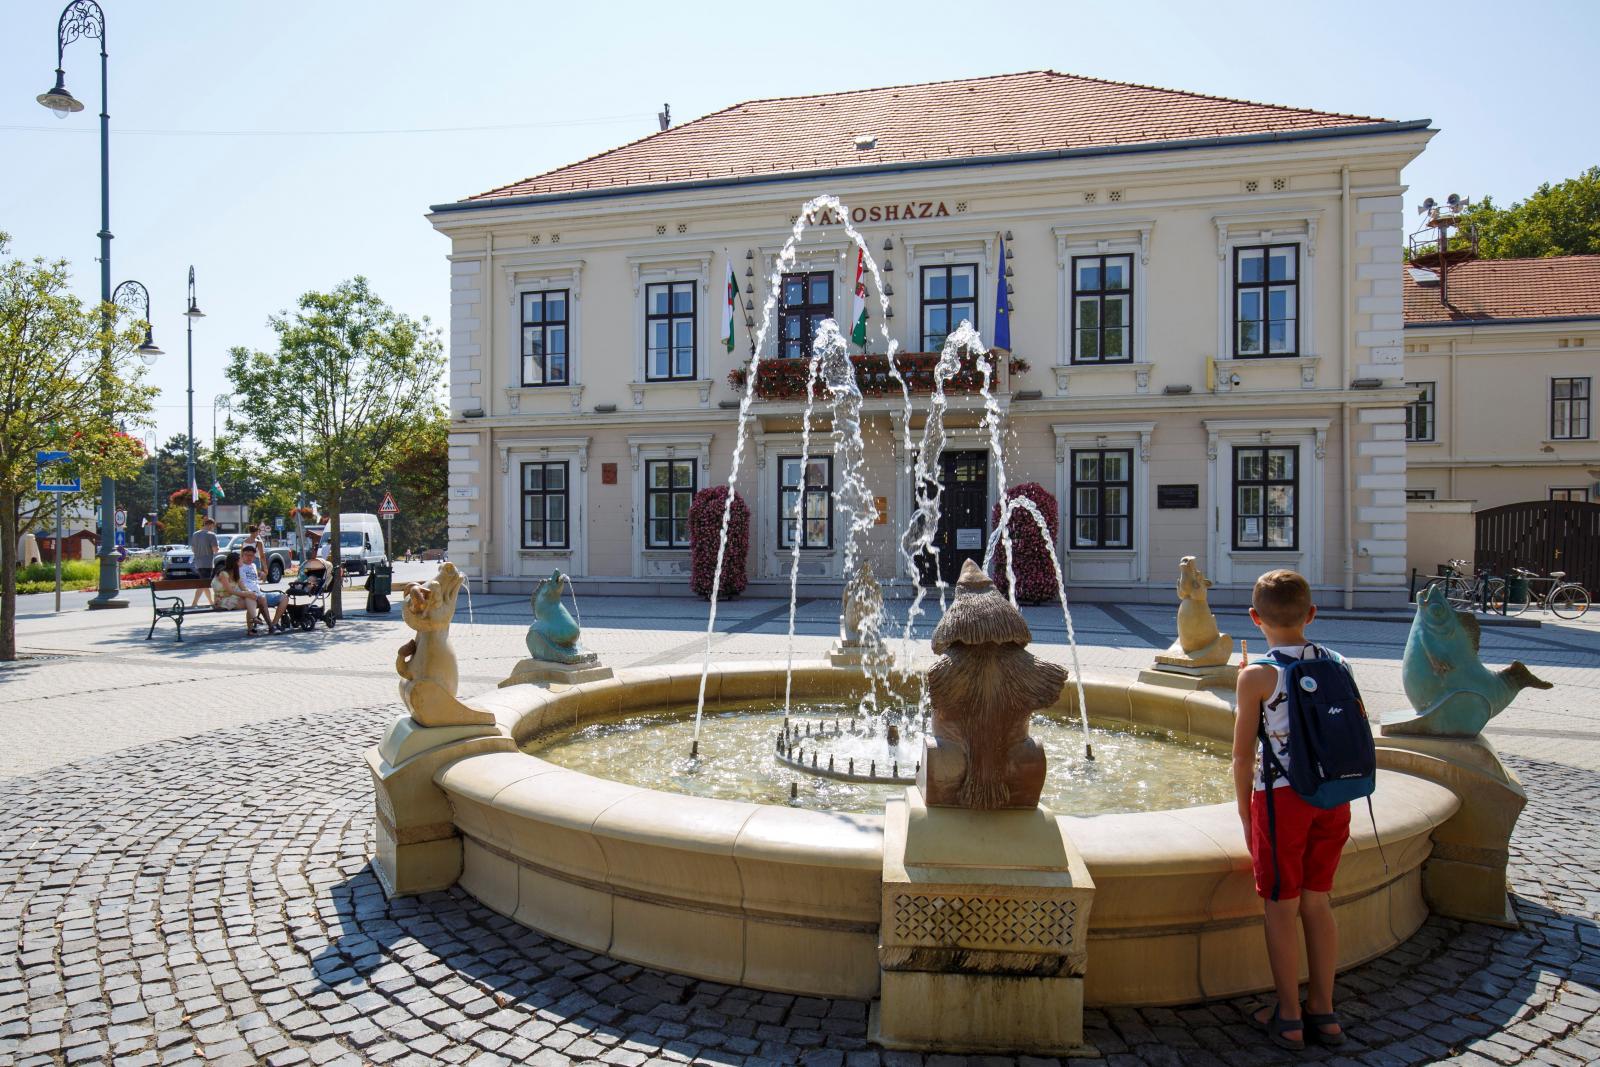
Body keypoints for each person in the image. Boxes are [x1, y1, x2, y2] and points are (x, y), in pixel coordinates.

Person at [1232, 569, 1353, 1052]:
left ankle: (1287, 1016)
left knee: (1280, 908)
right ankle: (1324, 1011)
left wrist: (1246, 815)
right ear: (1311, 614)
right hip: (1333, 798)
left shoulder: (1256, 675)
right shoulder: (1339, 663)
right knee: (1317, 902)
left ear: (1255, 617)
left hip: (1283, 801)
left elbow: (1242, 756)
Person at [238, 544, 289, 632]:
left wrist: (261, 574)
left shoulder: (253, 566)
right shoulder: (239, 567)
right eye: (247, 555)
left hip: (259, 593)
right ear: (242, 555)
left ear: (254, 557)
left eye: (252, 555)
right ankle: (271, 627)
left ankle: (274, 623)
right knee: (262, 599)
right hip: (249, 595)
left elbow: (257, 577)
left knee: (284, 598)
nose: (249, 557)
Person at [209, 551, 260, 634]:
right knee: (250, 601)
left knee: (250, 598)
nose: (242, 561)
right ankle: (252, 625)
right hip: (222, 600)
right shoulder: (223, 574)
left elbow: (243, 588)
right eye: (240, 559)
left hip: (232, 598)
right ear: (235, 562)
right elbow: (230, 591)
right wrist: (246, 594)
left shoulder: (236, 573)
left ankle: (253, 623)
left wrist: (250, 593)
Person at [189, 518, 219, 608]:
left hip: (198, 562)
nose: (213, 528)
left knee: (204, 582)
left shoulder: (195, 534)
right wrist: (217, 548)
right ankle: (194, 603)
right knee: (203, 583)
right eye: (213, 526)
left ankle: (211, 602)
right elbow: (215, 550)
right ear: (210, 525)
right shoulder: (211, 535)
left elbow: (193, 549)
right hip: (207, 563)